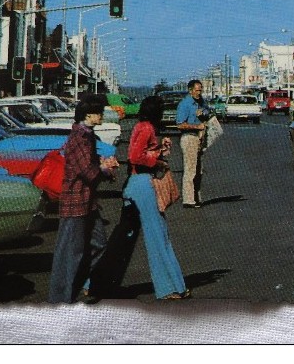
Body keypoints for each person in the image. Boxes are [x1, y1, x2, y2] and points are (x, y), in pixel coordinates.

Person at [48, 93, 119, 303]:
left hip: (87, 202)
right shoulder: (79, 137)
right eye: (99, 113)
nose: (102, 117)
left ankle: (80, 284)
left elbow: (90, 163)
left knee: (99, 243)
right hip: (75, 200)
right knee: (70, 252)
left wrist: (102, 163)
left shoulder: (87, 134)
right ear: (88, 115)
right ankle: (60, 300)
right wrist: (104, 168)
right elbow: (86, 171)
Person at [122, 95, 189, 299]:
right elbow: (135, 156)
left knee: (123, 238)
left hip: (133, 184)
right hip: (143, 184)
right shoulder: (147, 128)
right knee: (158, 236)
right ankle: (169, 288)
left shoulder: (140, 126)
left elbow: (142, 153)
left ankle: (96, 283)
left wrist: (160, 151)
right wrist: (158, 163)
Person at [176, 79, 212, 208]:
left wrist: (203, 113)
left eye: (201, 90)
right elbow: (180, 124)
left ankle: (196, 197)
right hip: (189, 137)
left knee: (199, 170)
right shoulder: (185, 104)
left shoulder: (201, 102)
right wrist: (197, 127)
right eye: (197, 90)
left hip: (200, 139)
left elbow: (208, 112)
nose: (199, 92)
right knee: (190, 169)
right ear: (190, 90)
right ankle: (188, 200)